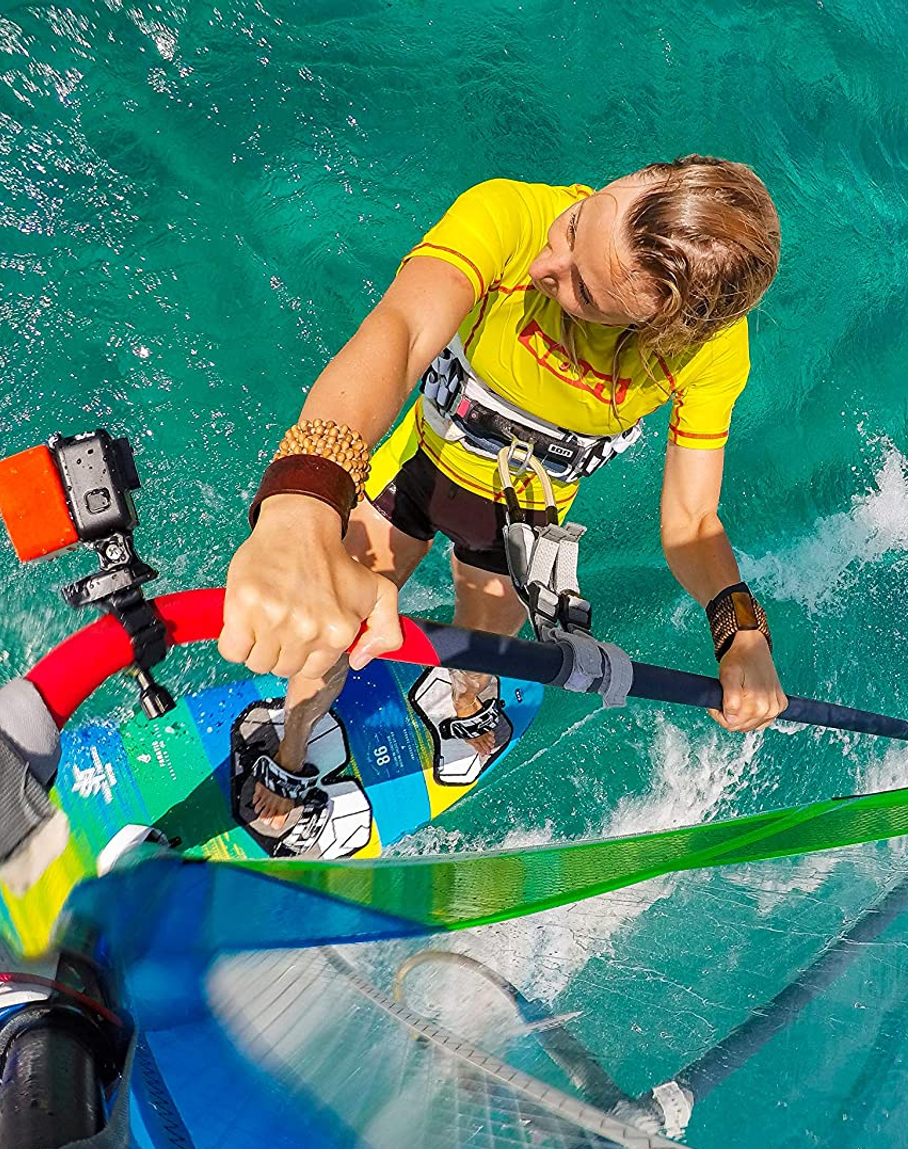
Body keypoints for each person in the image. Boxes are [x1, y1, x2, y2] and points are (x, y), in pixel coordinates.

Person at [221, 155, 788, 830]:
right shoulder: (509, 215)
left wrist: (740, 631)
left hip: (521, 528)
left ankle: (466, 700)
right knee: (331, 636)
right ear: (638, 176)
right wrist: (302, 503)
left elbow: (692, 517)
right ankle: (292, 743)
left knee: (482, 642)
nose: (547, 268)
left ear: (658, 330)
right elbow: (398, 336)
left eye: (583, 293)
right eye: (574, 227)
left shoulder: (711, 351)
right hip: (417, 472)